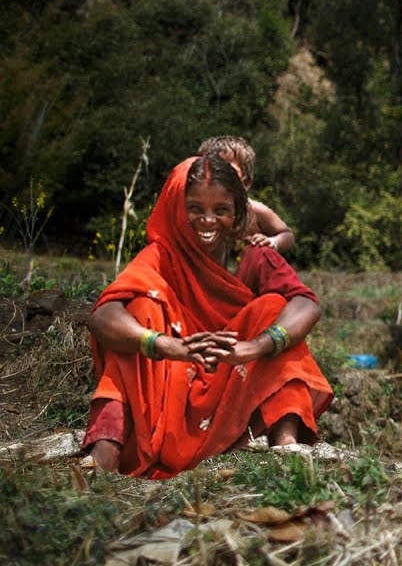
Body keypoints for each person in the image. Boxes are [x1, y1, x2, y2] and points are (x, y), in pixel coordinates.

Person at [82, 155, 333, 478]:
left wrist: (255, 347)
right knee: (142, 309)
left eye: (221, 210)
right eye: (195, 209)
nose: (208, 221)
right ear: (176, 206)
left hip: (233, 382)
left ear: (237, 211)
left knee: (271, 308)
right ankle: (106, 455)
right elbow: (103, 316)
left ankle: (285, 449)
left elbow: (306, 304)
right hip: (169, 385)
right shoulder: (161, 256)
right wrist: (169, 346)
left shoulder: (252, 253)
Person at [197, 135, 295, 252]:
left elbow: (287, 234)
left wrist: (273, 242)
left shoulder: (254, 211)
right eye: (210, 170)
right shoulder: (193, 211)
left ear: (245, 183)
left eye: (228, 171)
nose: (218, 178)